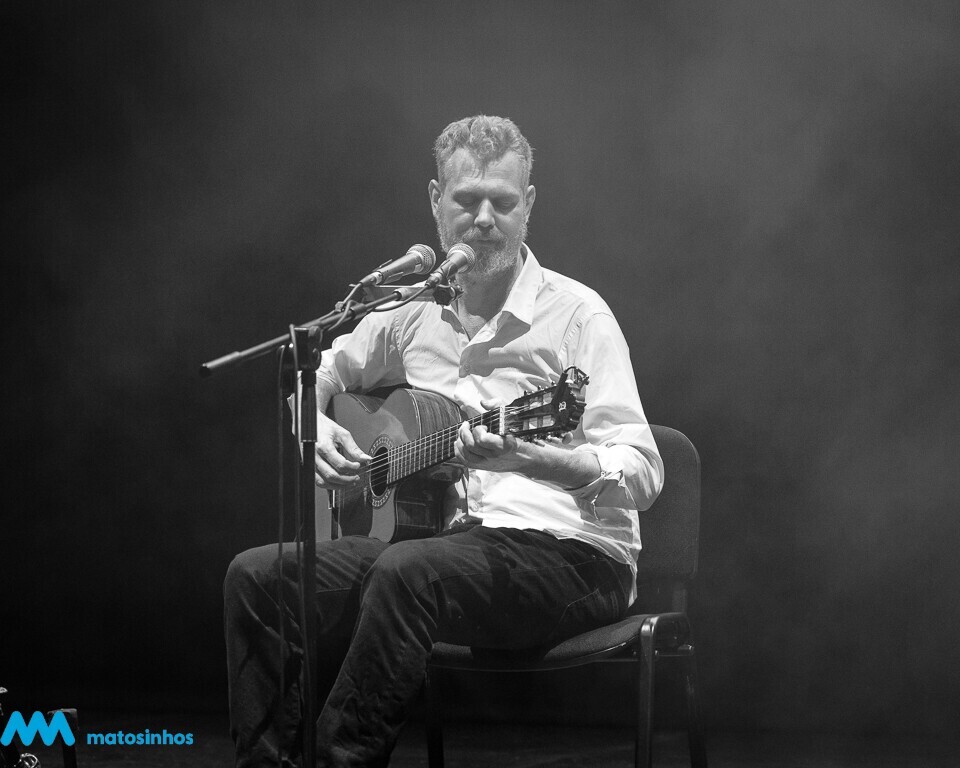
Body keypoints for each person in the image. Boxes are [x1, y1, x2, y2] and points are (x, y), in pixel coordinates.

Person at [224, 115, 664, 767]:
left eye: (503, 202)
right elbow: (319, 370)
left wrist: (538, 458)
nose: (484, 219)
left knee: (408, 571)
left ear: (528, 206)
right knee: (258, 577)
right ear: (436, 201)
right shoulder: (411, 311)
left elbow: (643, 470)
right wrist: (312, 423)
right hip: (447, 548)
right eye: (466, 200)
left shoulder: (578, 316)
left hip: (573, 554)